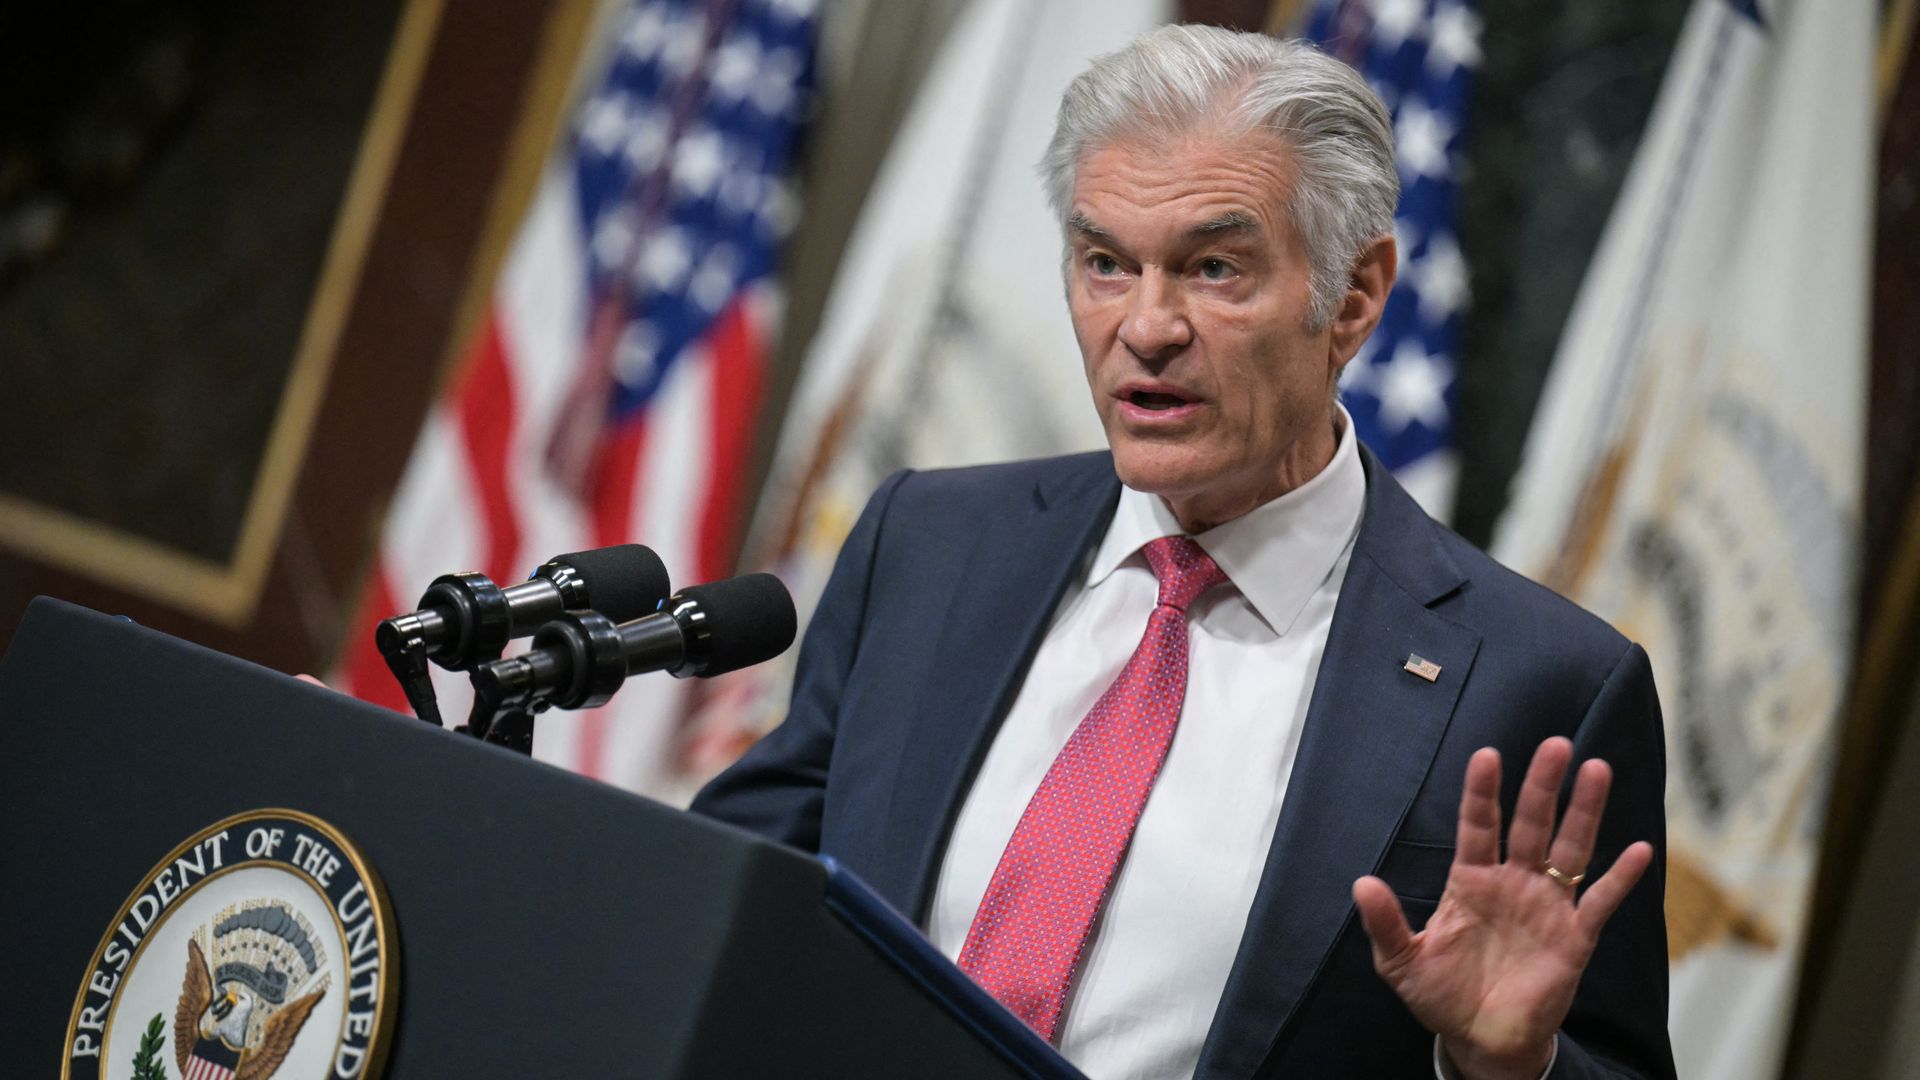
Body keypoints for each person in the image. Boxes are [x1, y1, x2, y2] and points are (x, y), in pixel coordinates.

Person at [692, 24, 1673, 1080]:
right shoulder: (929, 543)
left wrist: (1503, 1067)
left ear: (1352, 296)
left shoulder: (1541, 684)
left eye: (1214, 268)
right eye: (1106, 263)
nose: (1146, 327)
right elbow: (732, 896)